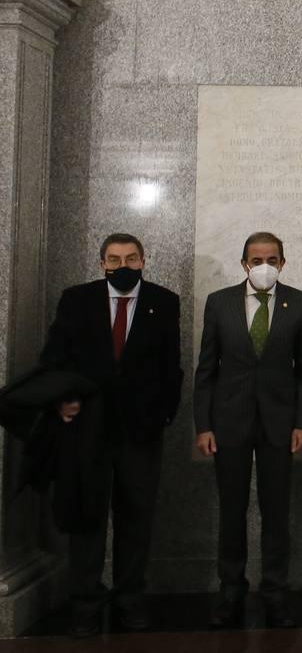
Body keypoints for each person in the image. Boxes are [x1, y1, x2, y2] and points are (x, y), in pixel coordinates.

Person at [41, 233, 182, 637]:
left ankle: (129, 601)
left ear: (143, 261)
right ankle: (85, 602)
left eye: (132, 258)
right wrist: (63, 400)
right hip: (88, 430)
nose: (123, 265)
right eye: (115, 258)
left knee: (136, 518)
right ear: (102, 262)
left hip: (140, 432)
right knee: (88, 518)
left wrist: (165, 415)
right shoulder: (77, 299)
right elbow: (55, 356)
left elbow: (171, 365)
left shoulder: (164, 301)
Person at [193, 232, 302, 629]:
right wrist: (203, 425)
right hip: (229, 423)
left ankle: (275, 593)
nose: (264, 265)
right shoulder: (219, 303)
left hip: (280, 424)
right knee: (231, 511)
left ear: (282, 262)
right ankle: (231, 591)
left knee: (276, 511)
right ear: (244, 263)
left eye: (272, 258)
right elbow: (206, 370)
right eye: (256, 258)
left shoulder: (299, 303)